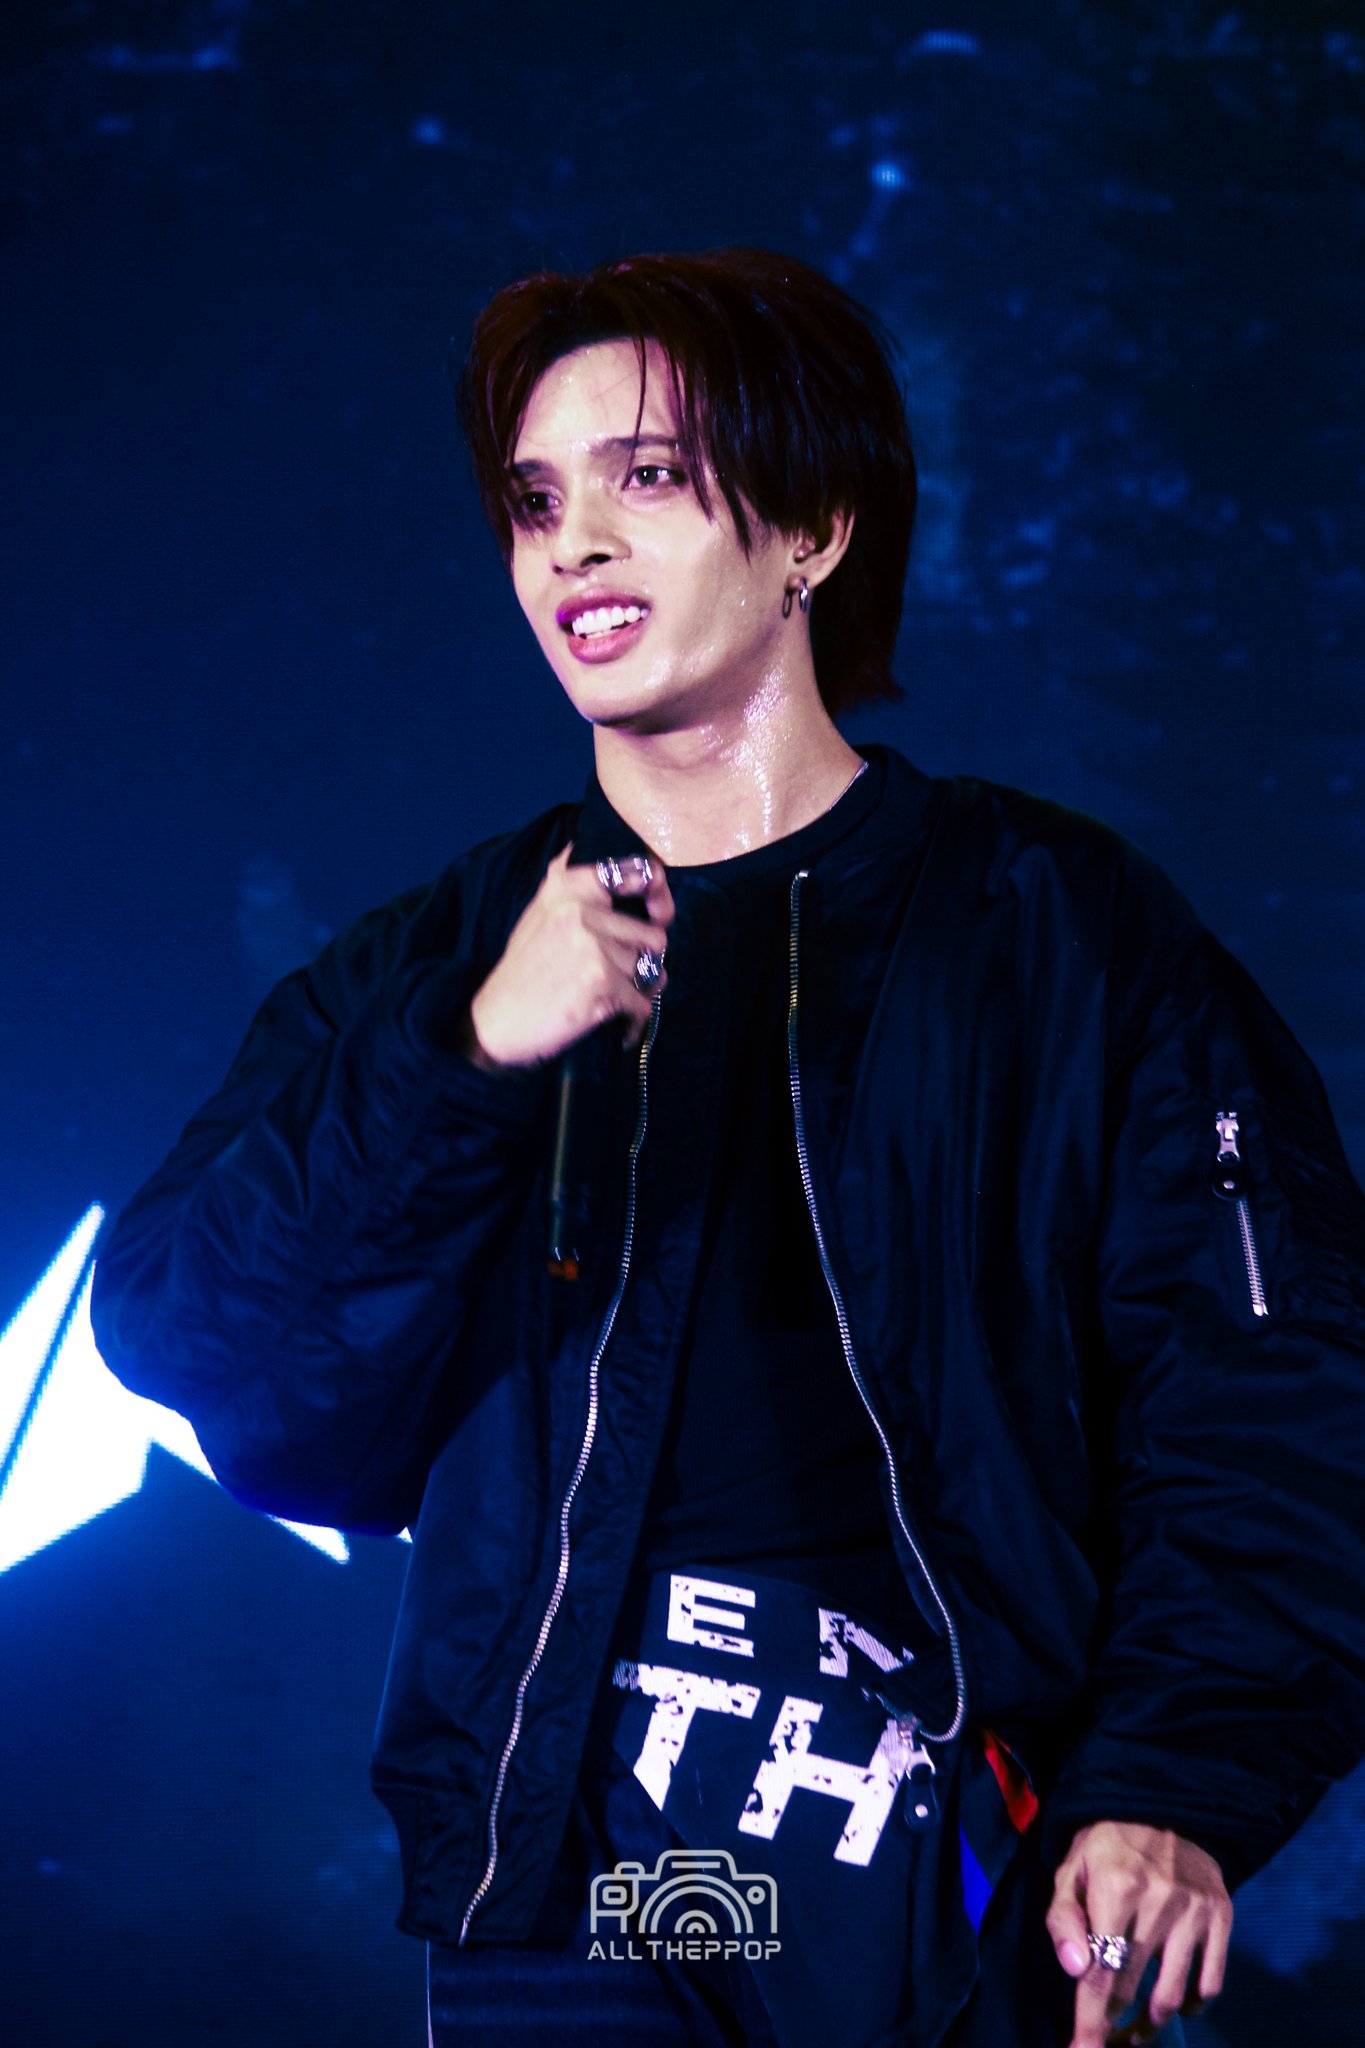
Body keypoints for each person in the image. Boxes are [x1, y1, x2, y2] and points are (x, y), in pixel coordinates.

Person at [91, 248, 1365, 2048]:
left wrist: (1173, 1784)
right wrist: (469, 1058)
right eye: (536, 502)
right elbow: (195, 1343)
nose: (574, 548)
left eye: (648, 478)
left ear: (812, 532)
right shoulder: (432, 969)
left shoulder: (1059, 933)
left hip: (963, 1885)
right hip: (587, 1890)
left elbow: (1272, 1394)